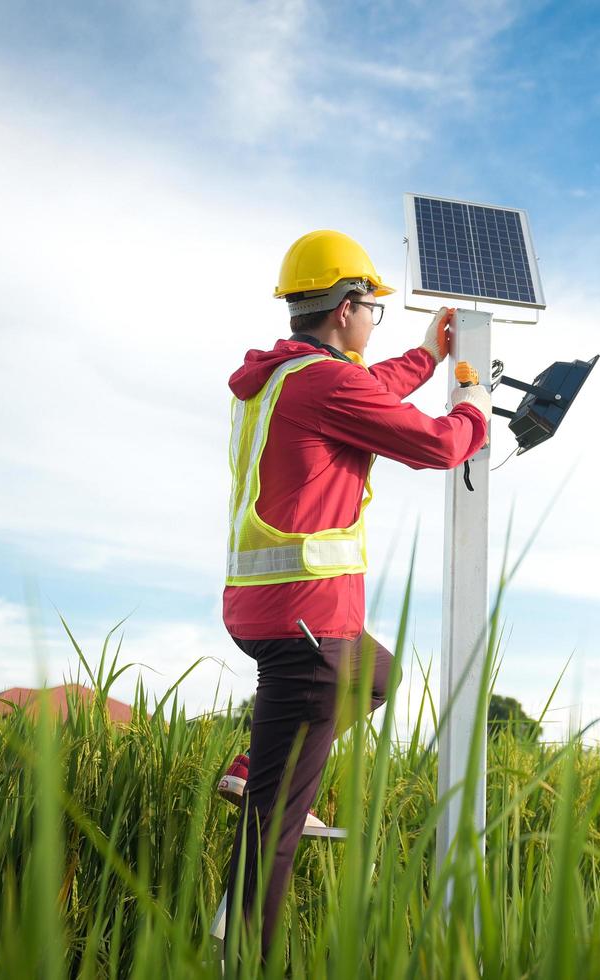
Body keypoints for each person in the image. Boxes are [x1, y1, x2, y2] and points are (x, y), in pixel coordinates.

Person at [217, 229, 490, 964]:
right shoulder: (326, 384)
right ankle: (244, 959)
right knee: (275, 829)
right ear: (345, 308)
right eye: (371, 305)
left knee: (379, 675)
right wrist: (475, 407)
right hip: (308, 624)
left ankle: (252, 771)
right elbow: (436, 445)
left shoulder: (282, 378)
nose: (376, 318)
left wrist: (430, 356)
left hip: (265, 609)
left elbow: (367, 390)